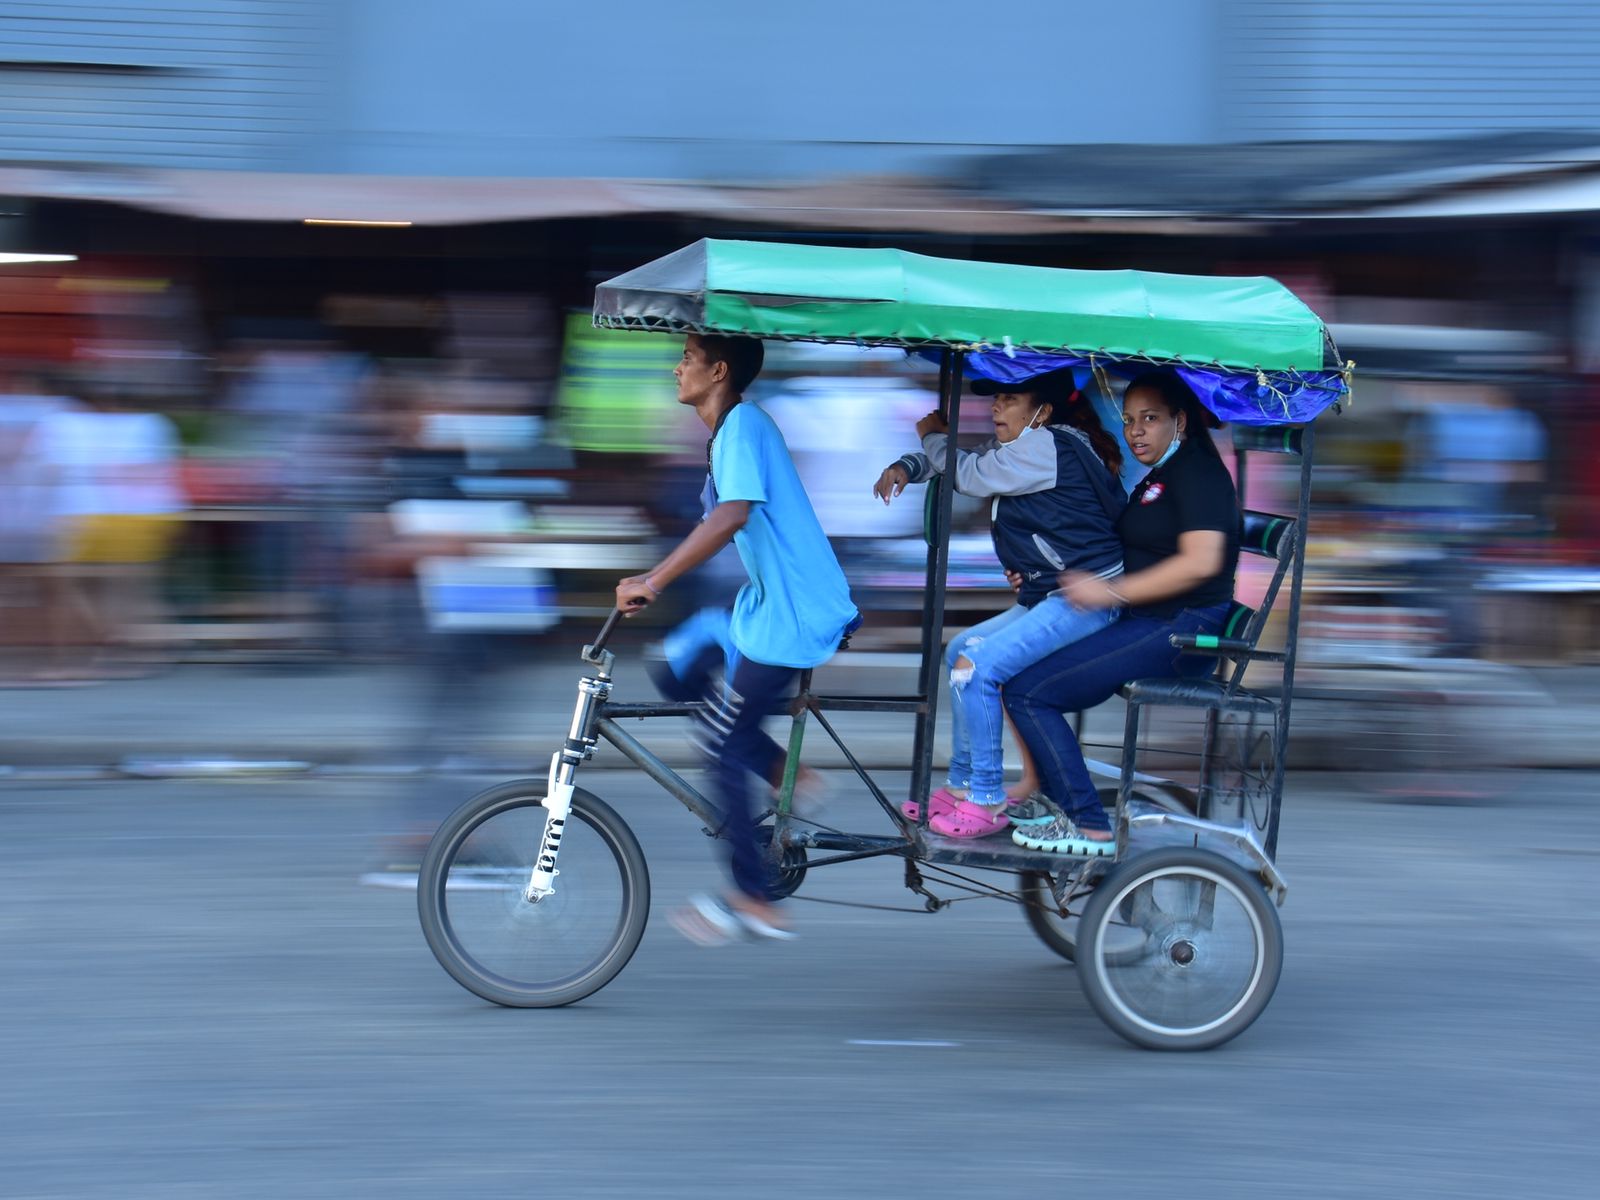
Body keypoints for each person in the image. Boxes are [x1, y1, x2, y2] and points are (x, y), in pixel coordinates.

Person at [617, 334, 858, 944]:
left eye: (688, 359)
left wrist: (652, 578)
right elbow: (718, 522)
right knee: (674, 670)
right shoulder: (726, 434)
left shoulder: (744, 424)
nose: (677, 368)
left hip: (793, 615)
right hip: (765, 608)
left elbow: (731, 517)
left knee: (721, 745)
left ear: (718, 370)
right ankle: (785, 772)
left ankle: (755, 899)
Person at [873, 368, 1127, 839]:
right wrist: (910, 464)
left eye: (1009, 399)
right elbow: (966, 460)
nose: (995, 408)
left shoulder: (1047, 445)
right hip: (1053, 596)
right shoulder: (1031, 445)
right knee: (961, 651)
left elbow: (967, 474)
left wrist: (931, 435)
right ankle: (965, 784)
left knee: (977, 667)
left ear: (1042, 412)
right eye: (997, 399)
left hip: (1084, 598)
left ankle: (987, 797)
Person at [1003, 370, 1240, 856]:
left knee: (1028, 693)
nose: (1135, 432)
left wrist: (1110, 592)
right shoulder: (1162, 475)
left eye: (1150, 419)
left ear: (1182, 419)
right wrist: (1042, 576)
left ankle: (1086, 823)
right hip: (1151, 622)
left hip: (1181, 631)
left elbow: (1201, 562)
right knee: (1016, 670)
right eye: (1130, 419)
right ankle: (1056, 800)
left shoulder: (1198, 473)